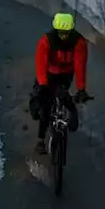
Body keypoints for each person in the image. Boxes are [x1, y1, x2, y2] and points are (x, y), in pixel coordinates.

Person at [30, 13, 91, 154]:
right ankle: (41, 140)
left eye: (67, 33)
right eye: (61, 33)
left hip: (65, 74)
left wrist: (81, 89)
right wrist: (43, 84)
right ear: (56, 30)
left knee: (62, 93)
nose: (64, 36)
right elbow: (41, 64)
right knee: (45, 104)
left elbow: (80, 65)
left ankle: (71, 110)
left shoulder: (79, 42)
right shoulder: (46, 42)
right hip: (49, 74)